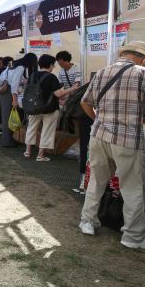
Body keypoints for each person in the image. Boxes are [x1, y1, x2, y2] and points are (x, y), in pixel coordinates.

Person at [79, 41, 145, 250]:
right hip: (127, 139)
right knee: (132, 187)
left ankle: (88, 221)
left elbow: (85, 102)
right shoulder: (143, 73)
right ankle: (133, 236)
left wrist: (97, 120)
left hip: (99, 136)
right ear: (141, 58)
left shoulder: (103, 71)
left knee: (96, 180)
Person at [23, 55, 77, 161]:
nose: (54, 67)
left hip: (33, 107)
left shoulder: (32, 75)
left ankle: (28, 151)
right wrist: (71, 89)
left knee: (31, 128)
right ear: (51, 65)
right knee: (47, 131)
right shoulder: (51, 77)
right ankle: (40, 155)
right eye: (53, 65)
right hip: (49, 108)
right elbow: (58, 94)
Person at [55, 51, 88, 191]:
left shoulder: (77, 69)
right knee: (67, 119)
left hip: (75, 100)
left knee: (75, 121)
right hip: (68, 99)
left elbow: (78, 86)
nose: (59, 64)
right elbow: (61, 86)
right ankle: (69, 138)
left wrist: (67, 98)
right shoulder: (61, 71)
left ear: (66, 60)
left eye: (60, 61)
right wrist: (63, 97)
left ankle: (73, 139)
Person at [0, 53, 38, 147]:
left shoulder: (14, 64)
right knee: (7, 117)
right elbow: (14, 85)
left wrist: (24, 81)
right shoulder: (21, 67)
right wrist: (14, 100)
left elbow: (12, 78)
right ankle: (7, 142)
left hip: (4, 91)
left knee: (7, 117)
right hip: (8, 92)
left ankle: (10, 140)